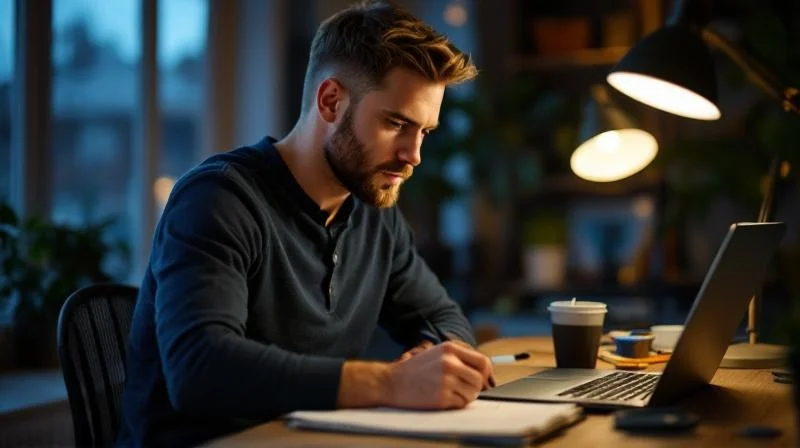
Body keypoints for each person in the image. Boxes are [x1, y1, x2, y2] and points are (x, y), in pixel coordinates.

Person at [117, 1, 494, 446]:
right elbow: (199, 369)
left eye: (425, 132)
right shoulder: (218, 200)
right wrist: (391, 383)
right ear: (331, 101)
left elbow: (442, 316)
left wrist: (436, 359)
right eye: (396, 123)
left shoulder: (374, 211)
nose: (414, 155)